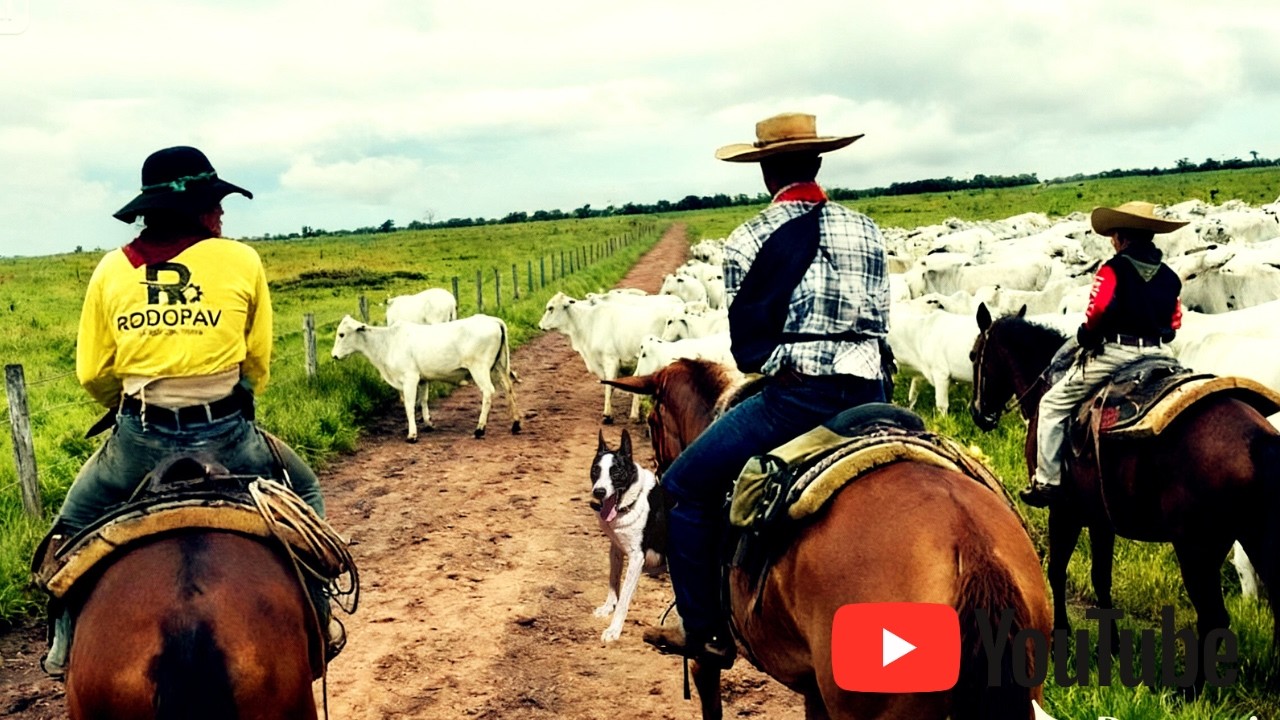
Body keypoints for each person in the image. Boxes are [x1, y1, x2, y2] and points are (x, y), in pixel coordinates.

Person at [40, 145, 337, 676]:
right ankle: (318, 625)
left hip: (138, 440)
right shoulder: (242, 260)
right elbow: (257, 359)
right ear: (199, 210)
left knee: (68, 529)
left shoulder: (111, 270)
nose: (222, 216)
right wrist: (233, 392)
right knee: (308, 491)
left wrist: (129, 407)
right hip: (228, 435)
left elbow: (91, 371)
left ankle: (63, 647)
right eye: (216, 205)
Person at [642, 113, 891, 664]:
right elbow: (881, 321)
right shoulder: (868, 229)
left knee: (684, 489)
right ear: (819, 162)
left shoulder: (748, 239)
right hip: (874, 393)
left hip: (797, 399)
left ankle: (704, 631)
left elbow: (749, 349)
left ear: (764, 173)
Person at [1021, 201, 1186, 508]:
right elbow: (1174, 323)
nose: (1112, 240)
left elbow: (1097, 313)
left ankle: (1047, 481)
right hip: (1161, 353)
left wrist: (1086, 336)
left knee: (1052, 404)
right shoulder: (1171, 277)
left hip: (1117, 354)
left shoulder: (1112, 269)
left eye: (1114, 235)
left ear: (1122, 237)